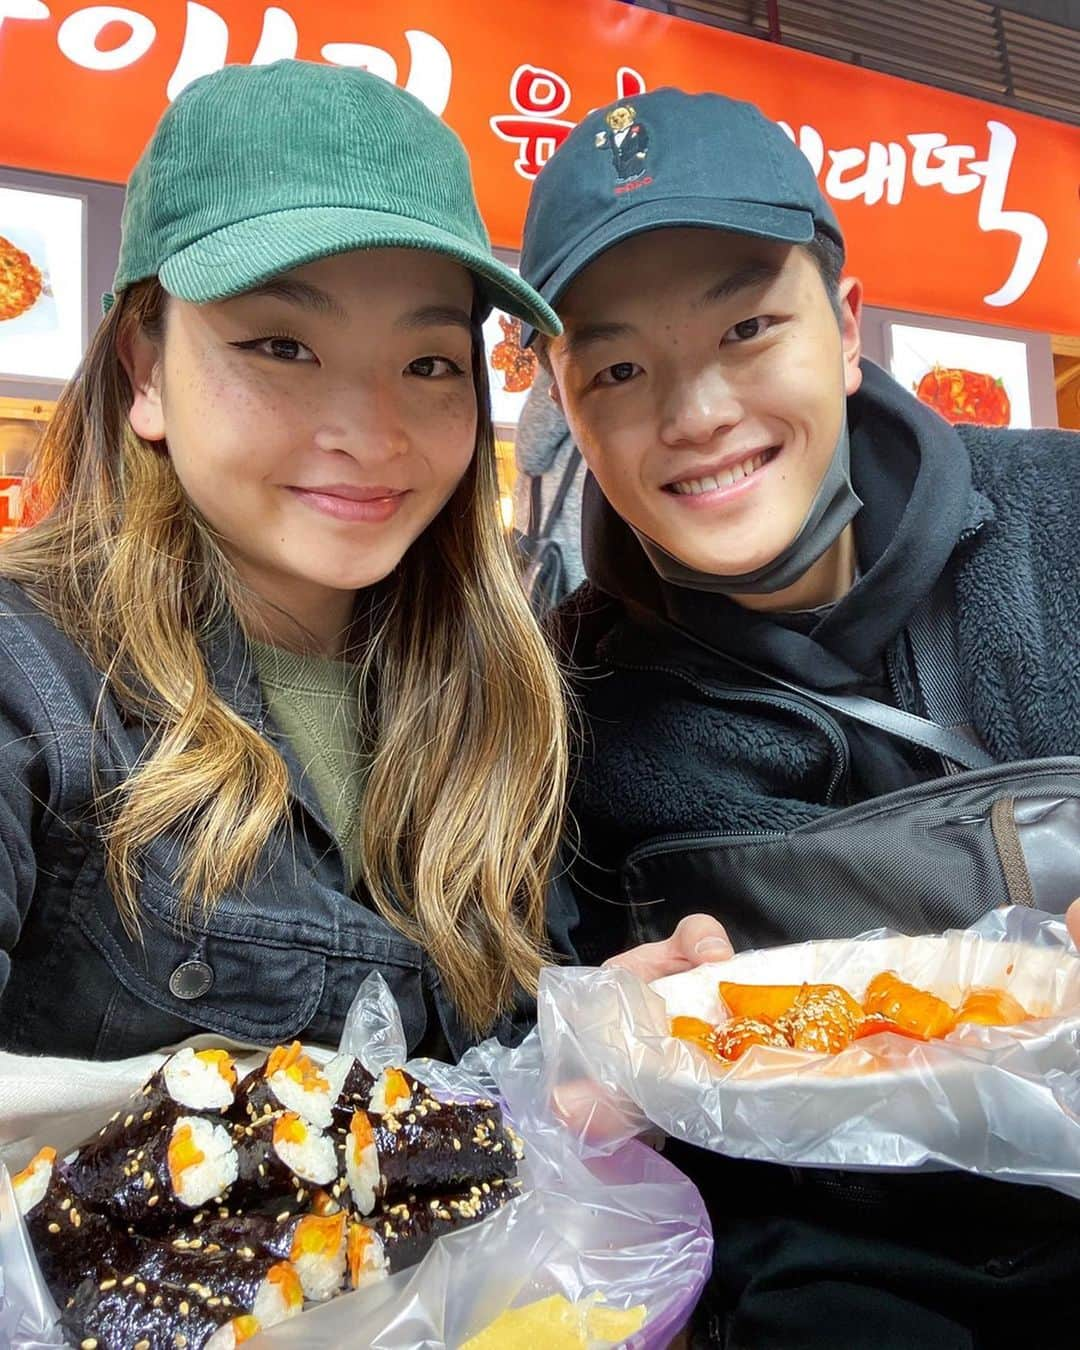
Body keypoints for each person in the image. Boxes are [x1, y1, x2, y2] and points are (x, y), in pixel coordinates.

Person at [519, 86, 1080, 1348]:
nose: (699, 413)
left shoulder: (1064, 519)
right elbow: (539, 1037)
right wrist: (599, 1034)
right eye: (618, 366)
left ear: (845, 326)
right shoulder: (570, 705)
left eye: (749, 327)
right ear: (570, 409)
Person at [0, 59, 588, 1064]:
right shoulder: (31, 680)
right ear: (145, 369)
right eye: (281, 345)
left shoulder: (505, 700)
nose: (369, 432)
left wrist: (604, 1039)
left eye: (429, 363)